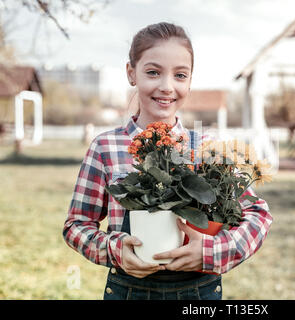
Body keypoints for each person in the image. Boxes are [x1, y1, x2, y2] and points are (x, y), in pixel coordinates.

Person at [63, 22, 273, 300]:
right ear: (131, 73)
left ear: (189, 80)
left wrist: (210, 252)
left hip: (199, 293)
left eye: (180, 75)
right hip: (129, 292)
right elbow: (76, 225)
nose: (166, 87)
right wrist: (116, 250)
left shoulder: (207, 148)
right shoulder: (105, 147)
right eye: (153, 72)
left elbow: (258, 215)